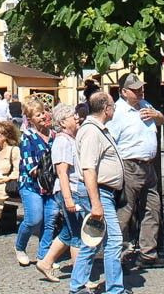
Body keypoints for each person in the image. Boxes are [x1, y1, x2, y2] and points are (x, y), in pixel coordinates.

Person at [110, 73, 164, 270]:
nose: (140, 91)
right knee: (125, 213)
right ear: (124, 92)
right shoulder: (117, 112)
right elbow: (110, 141)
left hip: (148, 166)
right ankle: (118, 257)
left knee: (153, 208)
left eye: (141, 87)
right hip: (129, 165)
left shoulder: (146, 105)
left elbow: (160, 122)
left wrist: (158, 116)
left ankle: (148, 254)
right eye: (135, 89)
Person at [73, 91, 126, 294]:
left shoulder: (99, 129)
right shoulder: (91, 132)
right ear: (106, 108)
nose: (114, 109)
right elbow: (88, 168)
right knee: (114, 240)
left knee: (92, 240)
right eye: (113, 105)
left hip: (104, 192)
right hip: (98, 193)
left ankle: (77, 286)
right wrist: (96, 203)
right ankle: (114, 289)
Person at [34, 103, 83, 282]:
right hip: (68, 191)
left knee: (69, 232)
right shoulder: (62, 141)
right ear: (63, 122)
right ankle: (80, 277)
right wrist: (69, 199)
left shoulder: (70, 139)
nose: (77, 118)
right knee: (78, 234)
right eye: (73, 116)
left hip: (71, 190)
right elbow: (62, 172)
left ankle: (46, 262)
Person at [15, 96, 57, 267]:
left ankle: (44, 256)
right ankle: (20, 247)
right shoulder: (27, 137)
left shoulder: (53, 135)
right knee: (34, 220)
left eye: (43, 113)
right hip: (32, 185)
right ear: (30, 119)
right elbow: (31, 168)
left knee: (51, 220)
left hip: (51, 185)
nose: (42, 117)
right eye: (37, 115)